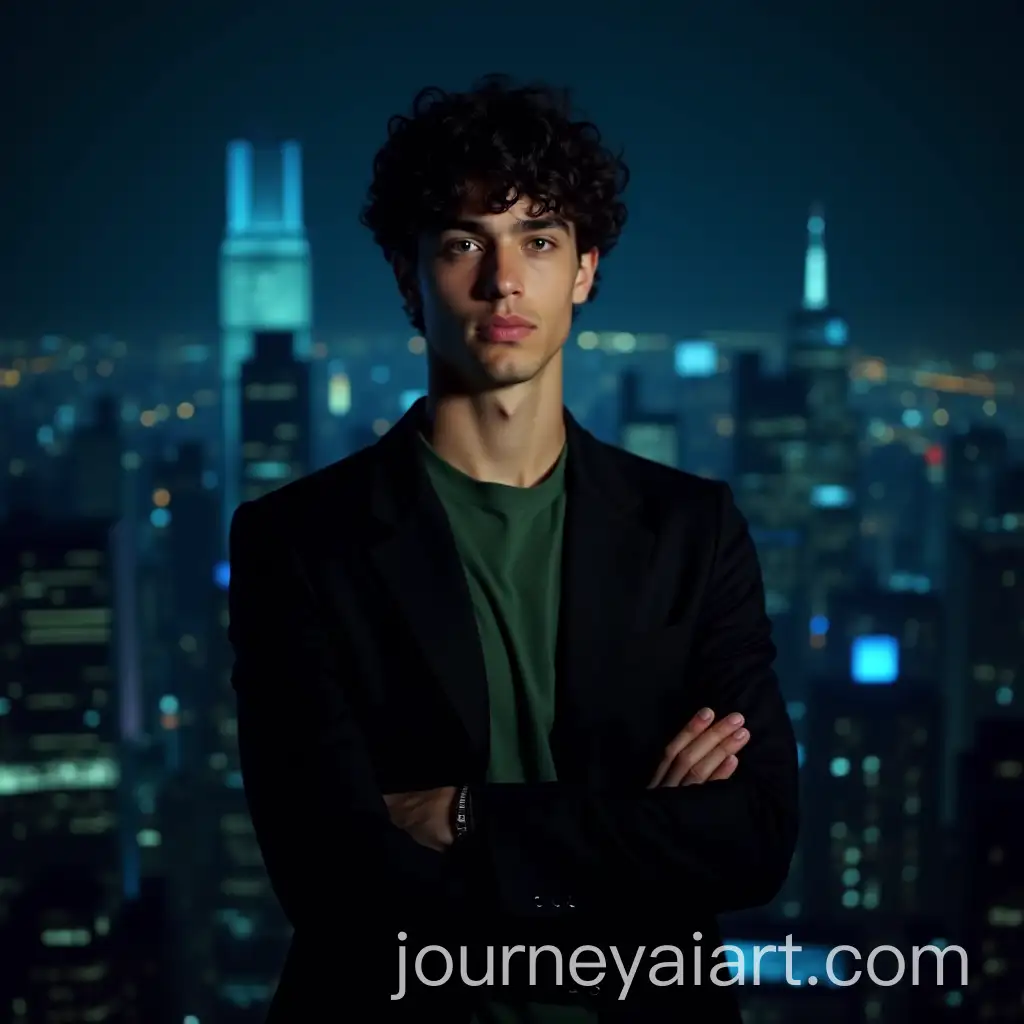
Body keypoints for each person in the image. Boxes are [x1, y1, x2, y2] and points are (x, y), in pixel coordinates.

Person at [228, 75, 799, 1023]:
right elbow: (333, 879)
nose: (504, 281)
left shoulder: (690, 529)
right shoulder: (302, 543)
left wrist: (465, 818)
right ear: (410, 277)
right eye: (464, 244)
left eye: (538, 240)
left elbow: (754, 838)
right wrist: (636, 839)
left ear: (583, 272)